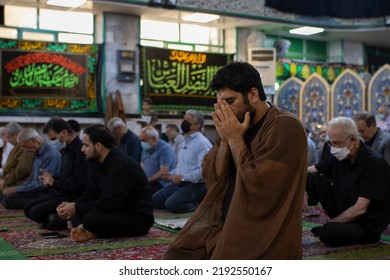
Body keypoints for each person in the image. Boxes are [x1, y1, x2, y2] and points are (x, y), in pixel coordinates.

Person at [164, 61, 308, 260]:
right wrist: (224, 139)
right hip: (224, 220)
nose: (225, 110)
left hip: (262, 229)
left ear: (253, 95)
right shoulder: (235, 125)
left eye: (230, 101)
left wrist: (233, 138)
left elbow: (260, 184)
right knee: (176, 256)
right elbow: (212, 175)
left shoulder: (285, 126)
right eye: (220, 103)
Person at [56, 125, 154, 242]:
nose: (82, 149)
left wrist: (77, 207)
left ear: (98, 146)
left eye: (86, 145)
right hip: (115, 211)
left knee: (91, 218)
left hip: (136, 218)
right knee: (77, 214)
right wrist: (73, 206)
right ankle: (88, 230)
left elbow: (109, 204)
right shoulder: (95, 162)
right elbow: (92, 192)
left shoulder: (120, 165)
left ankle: (89, 229)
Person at [307, 116, 390, 247]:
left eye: (337, 143)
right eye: (331, 143)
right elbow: (312, 170)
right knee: (312, 178)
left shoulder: (374, 164)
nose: (333, 148)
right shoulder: (340, 157)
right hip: (344, 212)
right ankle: (335, 227)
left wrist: (332, 223)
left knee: (328, 232)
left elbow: (360, 209)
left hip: (365, 225)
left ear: (353, 139)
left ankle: (333, 227)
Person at [23, 117, 89, 230]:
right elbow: (65, 177)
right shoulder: (65, 150)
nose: (52, 143)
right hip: (62, 191)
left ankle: (58, 220)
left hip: (74, 196)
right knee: (28, 208)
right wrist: (50, 178)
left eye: (53, 138)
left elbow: (81, 183)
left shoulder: (80, 151)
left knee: (35, 212)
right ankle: (55, 218)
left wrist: (54, 182)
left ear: (64, 133)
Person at [153, 110, 212, 213]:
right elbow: (182, 166)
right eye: (184, 119)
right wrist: (171, 174)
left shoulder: (202, 143)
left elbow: (204, 171)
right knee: (154, 200)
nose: (183, 122)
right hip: (180, 183)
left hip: (195, 185)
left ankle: (199, 205)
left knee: (172, 205)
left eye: (187, 120)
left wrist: (182, 178)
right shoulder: (185, 141)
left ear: (196, 126)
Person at [1, 128, 61, 209]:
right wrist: (16, 189)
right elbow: (31, 178)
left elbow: (43, 185)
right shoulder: (37, 153)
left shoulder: (51, 155)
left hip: (44, 192)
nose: (25, 150)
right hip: (34, 190)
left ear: (33, 140)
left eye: (25, 146)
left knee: (8, 201)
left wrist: (16, 189)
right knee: (5, 197)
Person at [0, 123, 34, 199]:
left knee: (6, 200)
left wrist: (6, 181)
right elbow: (9, 166)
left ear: (15, 135)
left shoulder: (24, 145)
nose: (7, 140)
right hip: (10, 181)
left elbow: (23, 169)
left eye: (8, 137)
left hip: (18, 183)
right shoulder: (16, 145)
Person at [139, 126, 176, 194]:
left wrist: (147, 180)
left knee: (142, 194)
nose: (142, 143)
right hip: (148, 182)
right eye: (141, 140)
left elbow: (163, 171)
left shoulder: (165, 149)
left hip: (160, 183)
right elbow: (142, 166)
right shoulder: (145, 149)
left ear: (154, 139)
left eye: (144, 140)